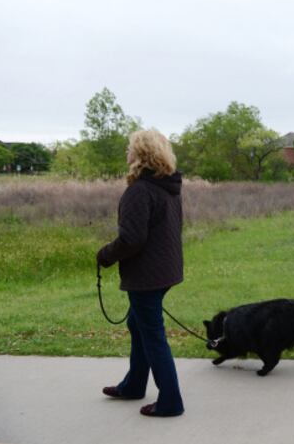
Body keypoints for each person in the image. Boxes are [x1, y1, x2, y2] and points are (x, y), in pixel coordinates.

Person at [97, 129, 185, 417]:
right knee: (138, 325)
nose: (126, 152)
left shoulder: (140, 190)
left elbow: (132, 239)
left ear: (141, 154)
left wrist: (105, 255)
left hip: (147, 276)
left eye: (129, 148)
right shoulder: (167, 187)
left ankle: (171, 401)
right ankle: (133, 385)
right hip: (165, 272)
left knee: (153, 335)